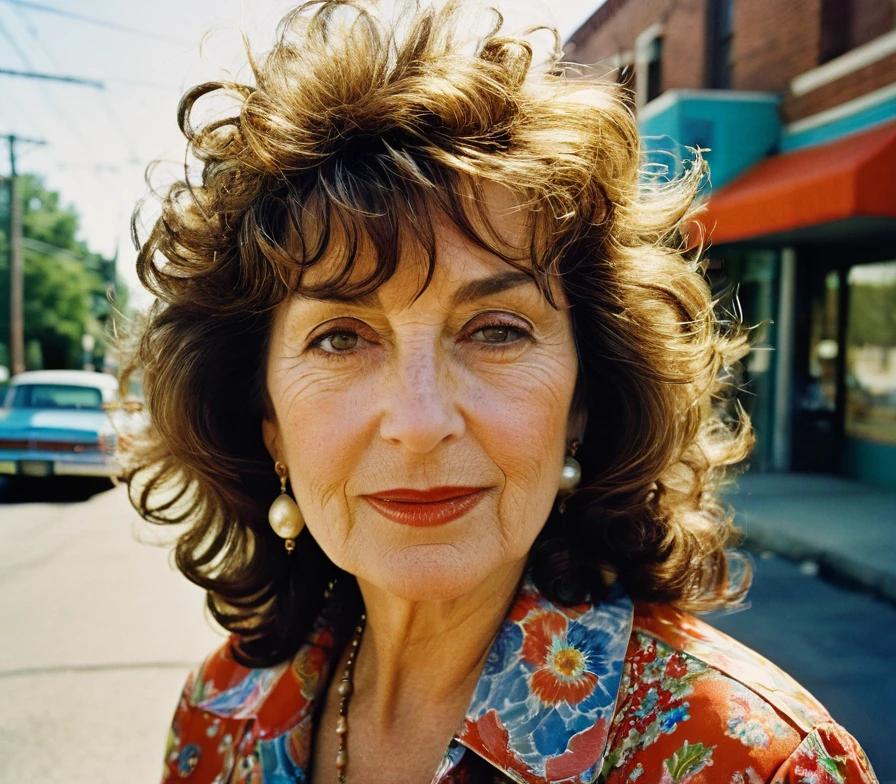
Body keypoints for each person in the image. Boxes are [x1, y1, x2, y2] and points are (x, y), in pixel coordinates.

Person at [123, 1, 879, 782]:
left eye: (495, 331)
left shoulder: (753, 766)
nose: (419, 424)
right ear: (266, 420)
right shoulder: (221, 713)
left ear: (585, 397)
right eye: (341, 338)